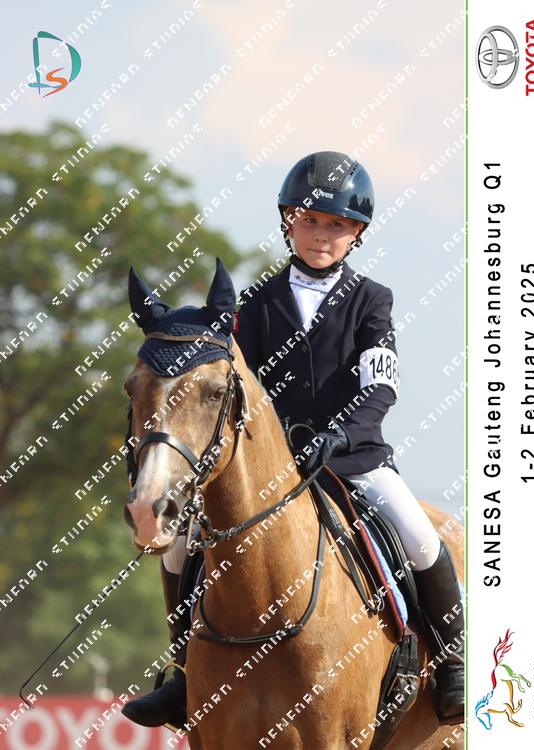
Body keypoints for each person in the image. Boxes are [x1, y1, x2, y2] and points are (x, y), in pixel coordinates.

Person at [122, 151, 464, 729]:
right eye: (310, 221)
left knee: (421, 538)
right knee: (182, 547)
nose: (322, 235)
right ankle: (183, 672)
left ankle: (453, 663)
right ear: (288, 221)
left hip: (354, 458)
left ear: (356, 232)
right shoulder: (256, 302)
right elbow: (236, 386)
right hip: (272, 467)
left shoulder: (371, 299)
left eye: (337, 224)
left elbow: (380, 386)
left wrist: (339, 435)